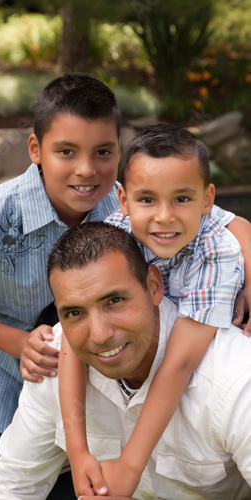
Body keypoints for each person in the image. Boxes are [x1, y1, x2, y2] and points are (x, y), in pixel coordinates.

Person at [0, 73, 122, 500]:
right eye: (66, 152)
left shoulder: (124, 205)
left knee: (75, 482)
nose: (87, 170)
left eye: (103, 152)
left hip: (88, 388)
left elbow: (204, 215)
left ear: (119, 150)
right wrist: (17, 343)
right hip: (4, 384)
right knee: (2, 482)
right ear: (36, 150)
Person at [0, 221, 251, 500]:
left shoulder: (234, 378)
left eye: (114, 301)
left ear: (154, 286)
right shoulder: (54, 356)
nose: (100, 335)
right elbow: (12, 483)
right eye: (75, 313)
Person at [58, 124, 251, 497]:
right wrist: (78, 450)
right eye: (147, 200)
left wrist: (130, 467)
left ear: (207, 199)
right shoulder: (115, 233)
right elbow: (70, 346)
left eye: (181, 199)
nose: (164, 217)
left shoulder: (216, 252)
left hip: (207, 372)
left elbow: (180, 363)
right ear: (123, 200)